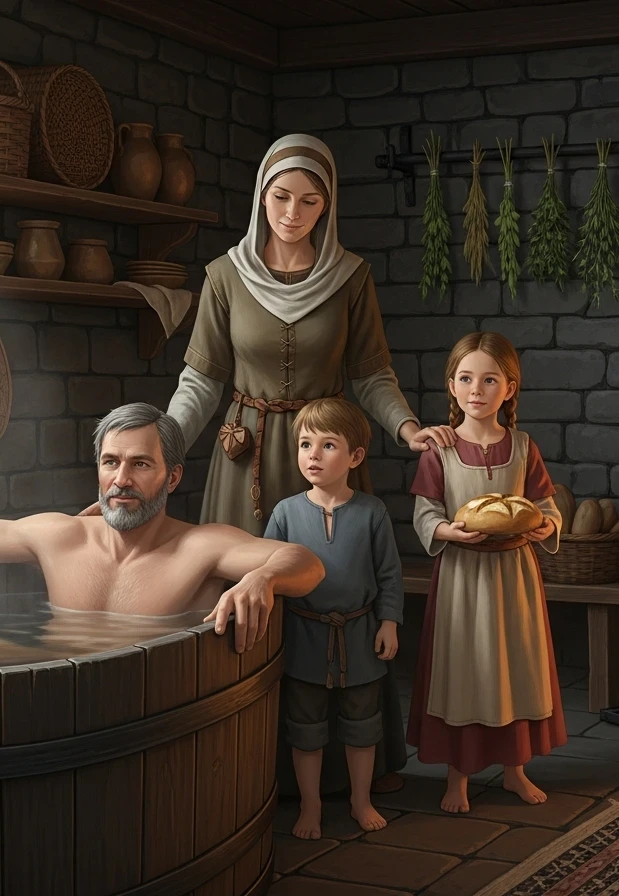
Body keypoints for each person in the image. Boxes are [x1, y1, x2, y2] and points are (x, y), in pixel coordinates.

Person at [161, 133, 456, 795]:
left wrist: (406, 426)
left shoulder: (350, 277)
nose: (292, 212)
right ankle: (242, 769)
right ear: (262, 195)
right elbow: (201, 381)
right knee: (240, 599)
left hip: (321, 455)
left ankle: (339, 779)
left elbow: (371, 372)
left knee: (331, 598)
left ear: (328, 206)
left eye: (309, 200)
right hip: (246, 463)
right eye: (281, 196)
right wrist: (162, 449)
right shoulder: (224, 277)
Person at [0, 404, 325, 657]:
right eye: (111, 462)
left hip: (143, 692)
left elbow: (305, 562)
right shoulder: (62, 536)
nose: (121, 480)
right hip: (46, 677)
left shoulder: (200, 544)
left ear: (173, 475)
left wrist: (262, 580)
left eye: (141, 465)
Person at [407, 332, 568, 814]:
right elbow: (424, 511)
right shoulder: (440, 449)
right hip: (462, 579)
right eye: (466, 378)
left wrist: (545, 524)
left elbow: (545, 505)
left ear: (509, 388)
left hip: (514, 577)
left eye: (489, 379)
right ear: (452, 387)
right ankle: (458, 777)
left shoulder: (522, 446)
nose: (476, 389)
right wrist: (446, 532)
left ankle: (515, 771)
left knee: (514, 667)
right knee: (465, 670)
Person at [264, 398, 404, 839]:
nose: (313, 455)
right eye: (306, 444)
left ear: (355, 456)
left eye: (328, 445)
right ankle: (311, 806)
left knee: (363, 724)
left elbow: (389, 574)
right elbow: (265, 570)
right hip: (304, 637)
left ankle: (360, 801)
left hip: (360, 636)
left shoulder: (372, 512)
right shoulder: (285, 513)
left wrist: (388, 622)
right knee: (305, 726)